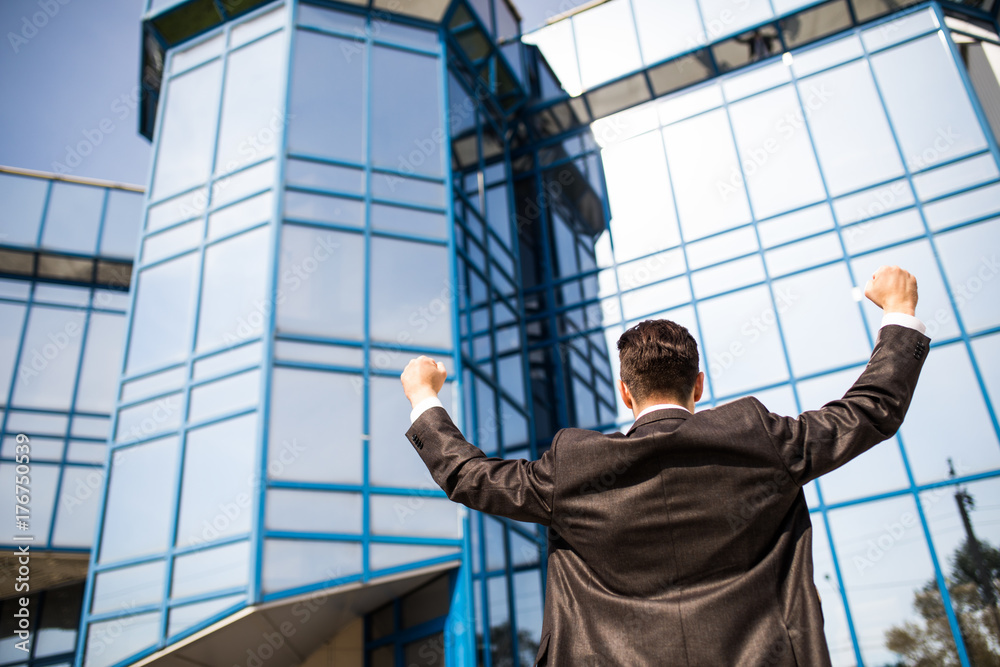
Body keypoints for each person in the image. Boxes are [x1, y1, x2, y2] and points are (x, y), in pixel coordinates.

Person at [400, 265, 928, 666]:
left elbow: (470, 477)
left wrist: (425, 398)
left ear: (625, 392)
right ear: (698, 385)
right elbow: (868, 412)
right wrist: (898, 312)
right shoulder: (757, 437)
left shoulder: (574, 466)